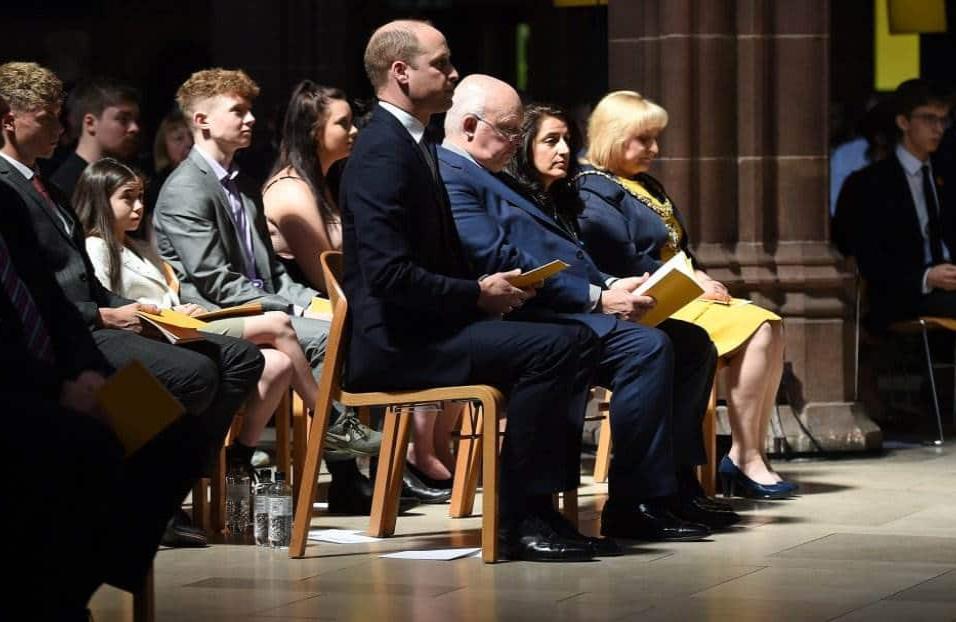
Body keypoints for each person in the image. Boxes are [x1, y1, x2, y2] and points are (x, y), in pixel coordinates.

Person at [341, 19, 617, 562]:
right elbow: (387, 276)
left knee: (577, 336)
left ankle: (538, 509)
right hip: (398, 343)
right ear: (401, 72)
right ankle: (517, 518)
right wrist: (476, 294)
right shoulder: (380, 151)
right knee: (557, 347)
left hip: (430, 326)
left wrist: (493, 289)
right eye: (440, 63)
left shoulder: (409, 141)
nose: (453, 72)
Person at [440, 75, 730, 536]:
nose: (559, 151)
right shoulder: (460, 174)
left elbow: (566, 258)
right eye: (537, 137)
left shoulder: (514, 184)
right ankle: (634, 502)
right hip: (533, 315)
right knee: (646, 346)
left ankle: (673, 484)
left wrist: (614, 283)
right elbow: (502, 257)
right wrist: (600, 297)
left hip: (564, 305)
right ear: (472, 126)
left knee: (691, 342)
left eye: (563, 140)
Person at [0, 61, 265, 546]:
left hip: (93, 318)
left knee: (240, 357)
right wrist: (100, 315)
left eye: (61, 115)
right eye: (47, 117)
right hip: (70, 333)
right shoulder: (6, 187)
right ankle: (147, 495)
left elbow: (87, 282)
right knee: (195, 373)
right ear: (8, 119)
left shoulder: (49, 187)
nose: (59, 127)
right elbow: (24, 292)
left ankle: (166, 485)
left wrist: (154, 311)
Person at [153, 68, 395, 515]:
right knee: (323, 334)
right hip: (207, 313)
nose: (249, 120)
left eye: (250, 111)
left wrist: (321, 304)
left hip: (254, 304)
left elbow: (272, 277)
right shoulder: (187, 188)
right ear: (202, 120)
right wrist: (297, 309)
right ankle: (342, 457)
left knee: (340, 320)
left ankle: (341, 467)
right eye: (237, 111)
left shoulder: (241, 187)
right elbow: (214, 281)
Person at [571, 91, 791, 498]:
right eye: (643, 139)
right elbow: (622, 259)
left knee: (771, 326)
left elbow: (680, 249)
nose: (654, 149)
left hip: (684, 291)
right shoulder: (593, 190)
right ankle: (744, 458)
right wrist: (694, 283)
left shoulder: (645, 184)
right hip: (649, 301)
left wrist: (702, 276)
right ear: (613, 136)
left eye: (656, 138)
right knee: (759, 326)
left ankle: (748, 452)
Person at [263, 79, 457, 500]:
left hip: (336, 301)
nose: (354, 132)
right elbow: (326, 274)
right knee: (383, 327)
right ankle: (376, 464)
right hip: (308, 304)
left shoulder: (329, 183)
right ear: (314, 131)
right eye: (343, 123)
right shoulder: (292, 190)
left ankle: (410, 453)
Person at [76, 157, 318, 471]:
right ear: (99, 200)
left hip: (179, 325)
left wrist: (181, 309)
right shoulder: (96, 247)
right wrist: (171, 312)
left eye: (140, 197)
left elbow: (167, 293)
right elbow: (118, 307)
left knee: (278, 363)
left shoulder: (141, 247)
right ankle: (328, 417)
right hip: (150, 337)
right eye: (127, 197)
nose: (138, 206)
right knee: (277, 322)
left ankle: (239, 456)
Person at [835, 79, 956, 331]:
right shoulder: (870, 185)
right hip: (901, 294)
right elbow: (869, 258)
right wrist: (926, 278)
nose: (938, 129)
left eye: (943, 119)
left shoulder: (946, 174)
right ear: (903, 122)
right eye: (929, 119)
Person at [49, 77, 141, 199]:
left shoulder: (126, 179)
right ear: (90, 123)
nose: (135, 128)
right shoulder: (64, 188)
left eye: (136, 120)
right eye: (123, 119)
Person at [145, 107, 193, 216]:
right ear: (164, 146)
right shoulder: (157, 187)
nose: (189, 143)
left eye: (192, 135)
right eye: (179, 138)